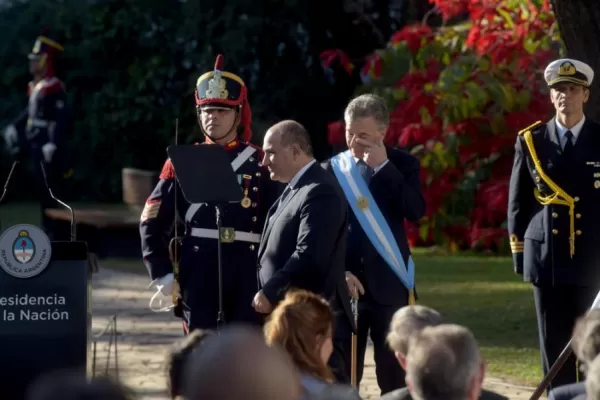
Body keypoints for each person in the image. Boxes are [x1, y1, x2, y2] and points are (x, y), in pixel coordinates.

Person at [140, 54, 280, 333]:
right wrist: (162, 272)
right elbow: (151, 221)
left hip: (248, 272)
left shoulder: (260, 161)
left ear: (238, 114)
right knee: (200, 354)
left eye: (222, 110)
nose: (212, 116)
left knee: (244, 354)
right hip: (198, 270)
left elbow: (279, 223)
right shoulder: (181, 160)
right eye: (207, 110)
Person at [322, 93, 426, 395]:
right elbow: (321, 231)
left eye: (363, 135)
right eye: (349, 132)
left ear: (383, 132)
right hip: (345, 285)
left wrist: (384, 168)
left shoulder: (403, 165)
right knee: (342, 374)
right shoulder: (331, 170)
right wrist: (339, 271)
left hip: (389, 283)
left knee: (392, 375)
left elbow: (415, 210)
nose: (354, 141)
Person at [507, 58, 600, 391]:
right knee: (553, 345)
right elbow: (519, 203)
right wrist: (520, 255)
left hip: (592, 258)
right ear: (551, 96)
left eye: (573, 90)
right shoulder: (531, 140)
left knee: (594, 346)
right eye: (559, 90)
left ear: (585, 95)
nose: (566, 96)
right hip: (548, 258)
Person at [252, 120, 353, 331]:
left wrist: (271, 291)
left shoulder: (319, 190)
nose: (264, 162)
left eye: (271, 153)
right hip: (291, 316)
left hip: (308, 322)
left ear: (295, 151)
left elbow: (309, 254)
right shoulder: (297, 187)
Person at [2, 32, 73, 239]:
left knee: (53, 190)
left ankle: (58, 232)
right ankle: (47, 228)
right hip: (35, 145)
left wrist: (52, 142)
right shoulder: (37, 86)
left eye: (35, 60)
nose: (31, 64)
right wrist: (13, 126)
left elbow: (60, 118)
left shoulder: (54, 86)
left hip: (48, 147)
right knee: (42, 191)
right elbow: (28, 113)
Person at [263, 289, 361, 400]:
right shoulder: (342, 397)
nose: (332, 347)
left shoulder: (250, 390)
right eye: (329, 337)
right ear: (318, 342)